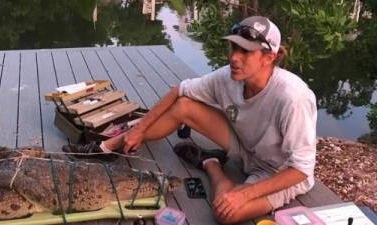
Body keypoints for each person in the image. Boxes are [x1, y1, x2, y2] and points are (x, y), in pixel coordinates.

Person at [63, 16, 317, 224]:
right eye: (234, 47)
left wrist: (246, 193)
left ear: (269, 57)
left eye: (246, 52)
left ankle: (211, 164)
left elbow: (302, 169)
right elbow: (179, 90)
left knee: (227, 214)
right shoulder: (228, 77)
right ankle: (106, 147)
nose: (234, 58)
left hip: (279, 171)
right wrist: (138, 130)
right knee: (184, 105)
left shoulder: (293, 97)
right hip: (246, 147)